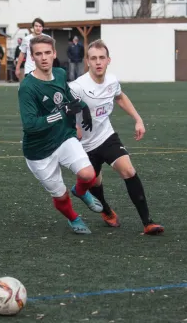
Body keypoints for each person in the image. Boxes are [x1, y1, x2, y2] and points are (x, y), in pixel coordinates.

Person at [69, 40, 164, 235]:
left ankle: (148, 223)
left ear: (108, 60)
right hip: (84, 146)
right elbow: (63, 108)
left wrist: (138, 119)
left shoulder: (112, 81)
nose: (98, 62)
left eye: (102, 58)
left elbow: (120, 97)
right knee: (95, 183)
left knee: (128, 170)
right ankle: (105, 210)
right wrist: (73, 126)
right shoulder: (78, 87)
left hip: (107, 137)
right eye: (93, 58)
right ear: (87, 61)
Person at [18, 35, 103, 235]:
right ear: (33, 57)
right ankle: (74, 218)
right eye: (38, 54)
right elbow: (30, 125)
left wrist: (82, 108)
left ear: (55, 54)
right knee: (61, 196)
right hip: (39, 151)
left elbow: (67, 95)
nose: (44, 57)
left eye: (48, 53)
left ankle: (80, 191)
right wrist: (61, 114)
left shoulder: (59, 73)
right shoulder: (28, 87)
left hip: (63, 136)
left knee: (88, 174)